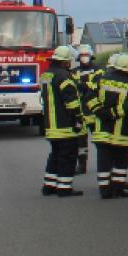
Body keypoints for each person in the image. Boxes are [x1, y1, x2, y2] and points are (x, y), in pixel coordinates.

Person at [87, 53, 128, 199]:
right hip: (122, 132)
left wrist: (100, 112)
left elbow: (89, 98)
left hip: (102, 130)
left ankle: (104, 190)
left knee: (104, 161)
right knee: (121, 161)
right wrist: (113, 113)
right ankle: (118, 189)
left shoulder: (102, 79)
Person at [41, 45, 85, 197]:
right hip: (64, 125)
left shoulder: (47, 75)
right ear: (66, 62)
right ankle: (64, 188)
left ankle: (49, 186)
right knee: (68, 156)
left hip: (50, 125)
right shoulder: (64, 77)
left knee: (55, 154)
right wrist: (79, 118)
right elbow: (71, 102)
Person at [70, 45, 99, 174]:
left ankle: (104, 165)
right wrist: (86, 86)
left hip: (95, 112)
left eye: (86, 55)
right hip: (81, 113)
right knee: (80, 142)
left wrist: (84, 86)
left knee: (100, 141)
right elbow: (74, 87)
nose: (84, 58)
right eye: (82, 55)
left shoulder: (99, 71)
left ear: (91, 55)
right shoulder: (74, 71)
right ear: (78, 57)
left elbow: (97, 86)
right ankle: (82, 166)